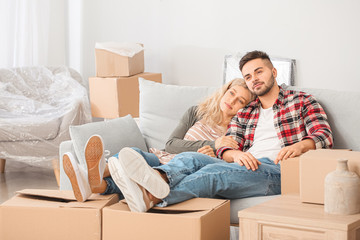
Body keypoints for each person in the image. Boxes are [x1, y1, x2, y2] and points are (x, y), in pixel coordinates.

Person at [106, 50, 334, 212]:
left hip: (280, 170)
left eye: (259, 72)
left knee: (214, 176)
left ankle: (151, 196)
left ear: (273, 72)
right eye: (248, 76)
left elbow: (322, 135)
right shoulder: (247, 112)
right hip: (245, 164)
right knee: (190, 159)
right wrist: (236, 154)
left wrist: (300, 145)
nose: (254, 79)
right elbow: (225, 145)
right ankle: (155, 179)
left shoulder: (302, 101)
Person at [63, 78, 254, 202]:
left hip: (183, 170)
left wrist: (212, 155)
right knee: (134, 155)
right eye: (232, 93)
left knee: (137, 177)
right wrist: (212, 144)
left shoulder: (236, 133)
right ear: (224, 91)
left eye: (240, 101)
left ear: (244, 108)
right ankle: (96, 175)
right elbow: (171, 144)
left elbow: (225, 169)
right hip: (165, 155)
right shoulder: (197, 112)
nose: (232, 101)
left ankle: (92, 179)